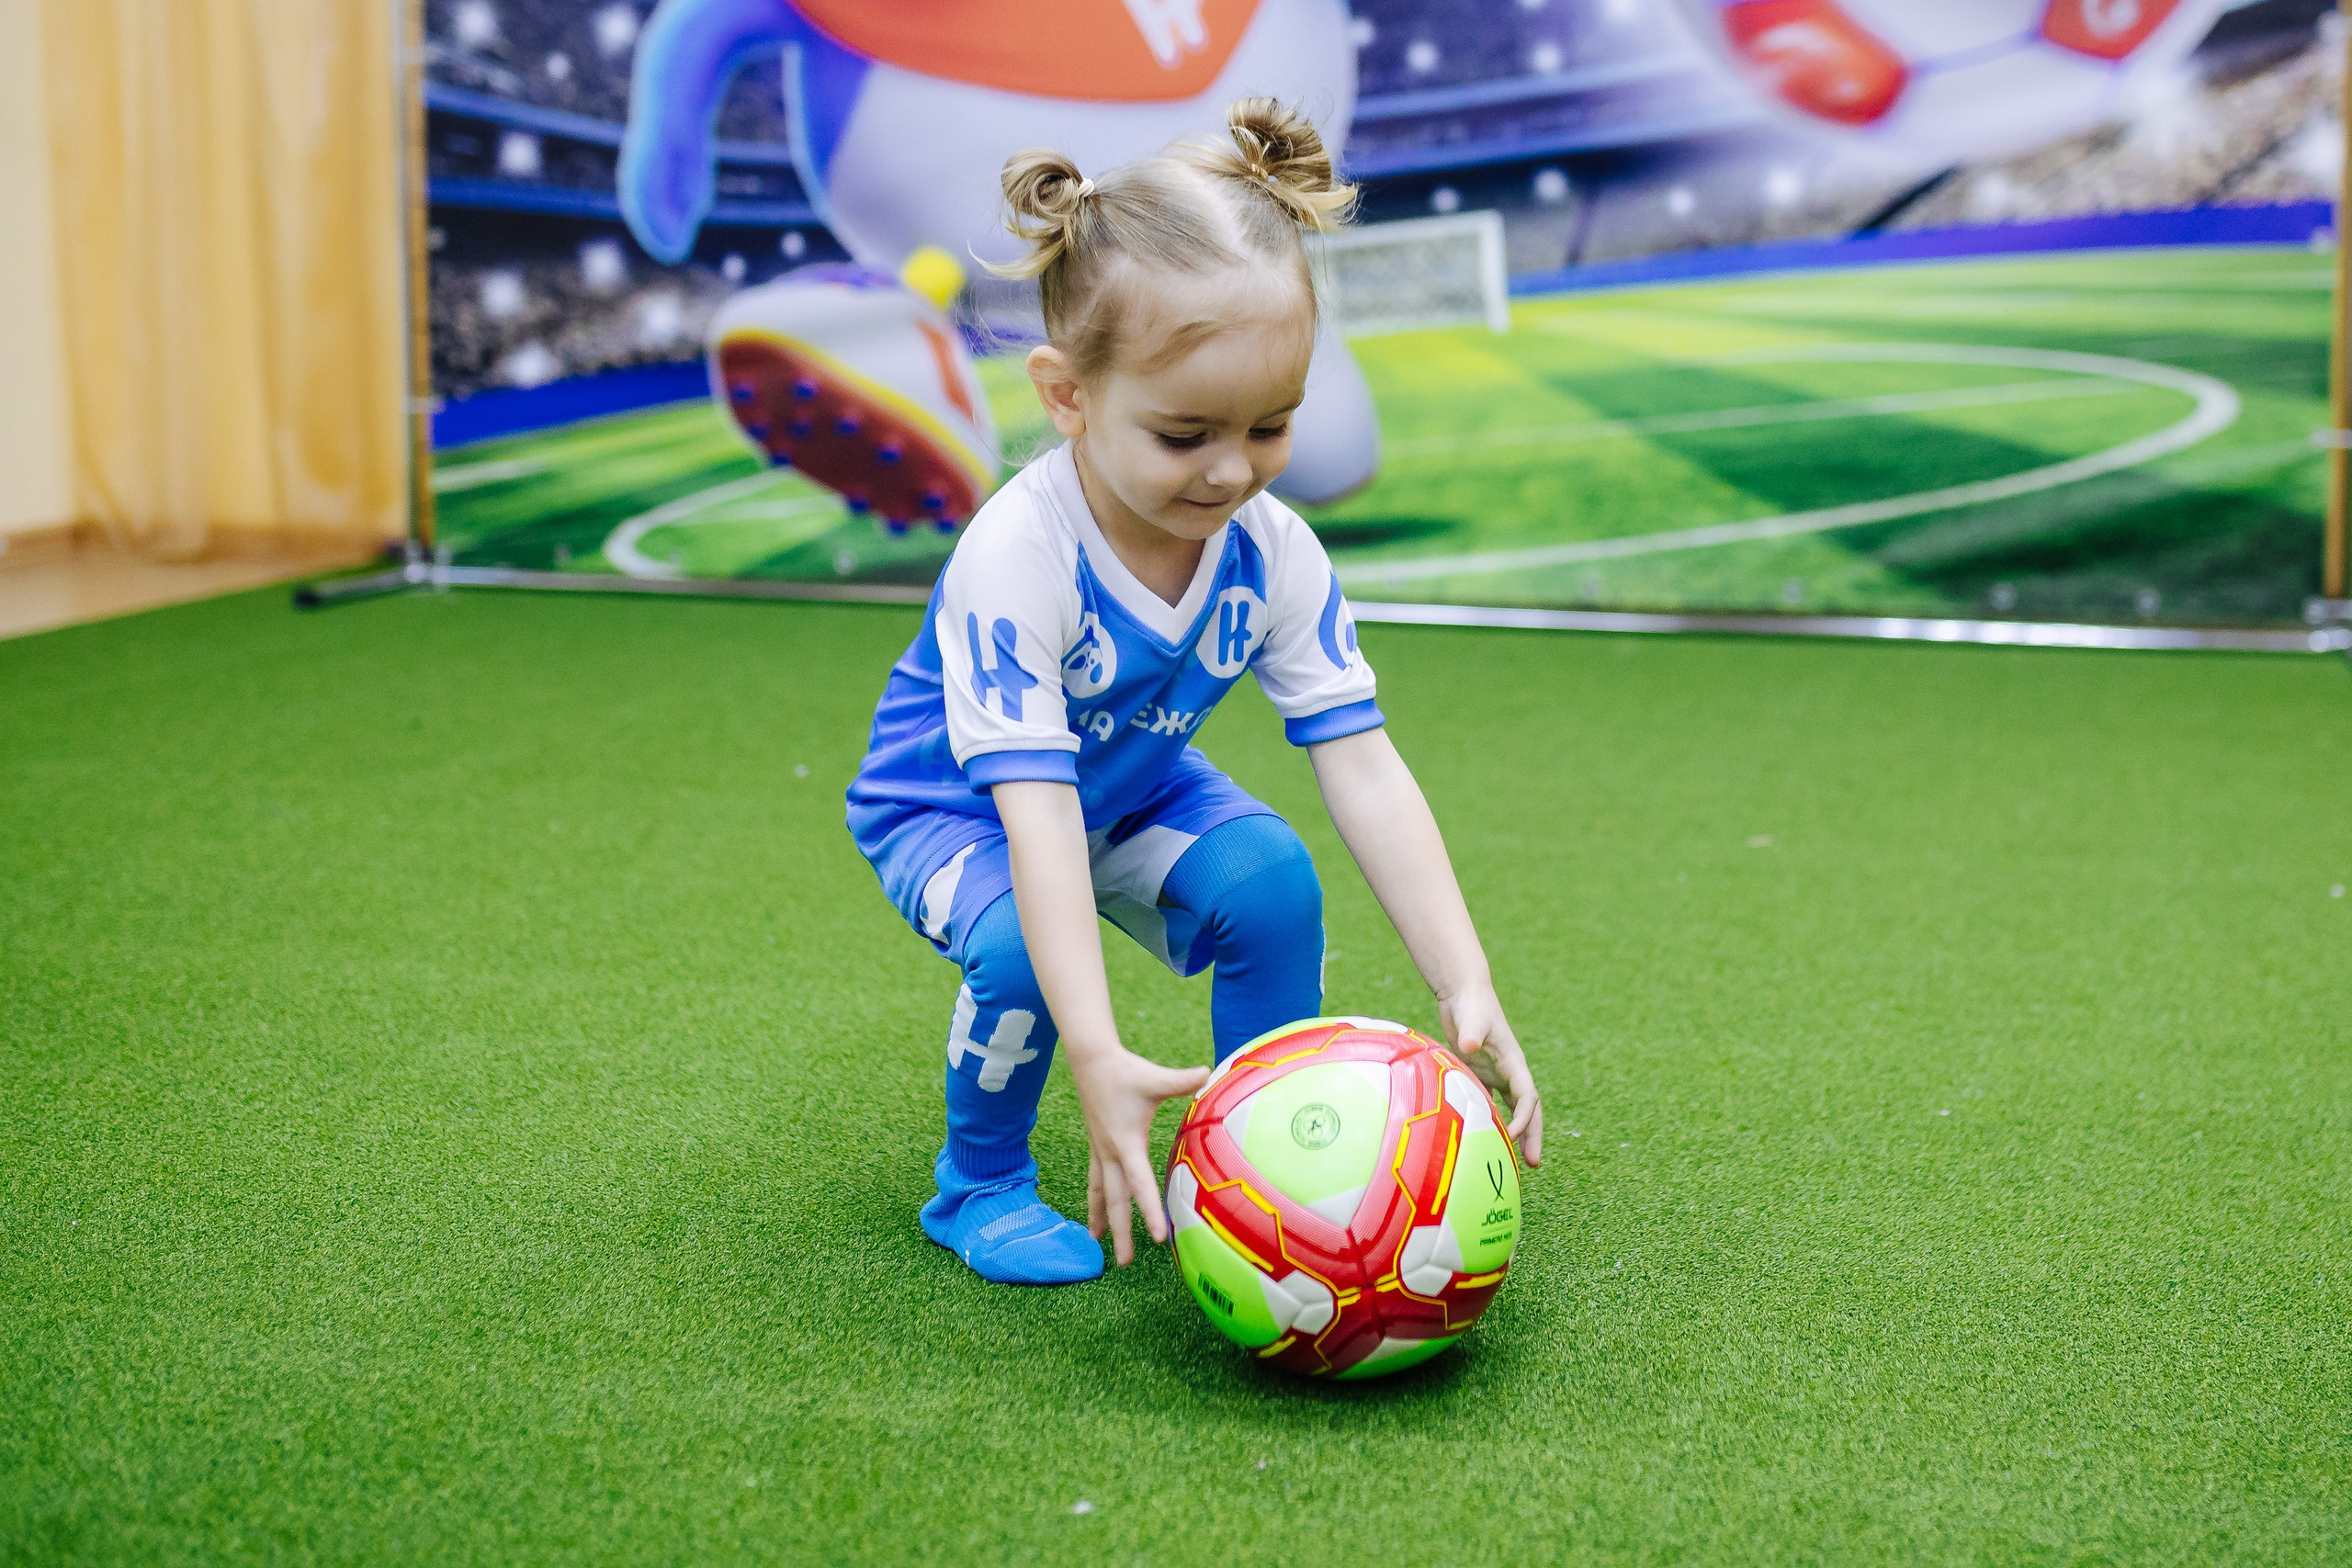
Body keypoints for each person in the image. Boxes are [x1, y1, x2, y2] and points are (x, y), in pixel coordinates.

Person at [845, 99, 1542, 1288]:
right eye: (1184, 434)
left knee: (1269, 886)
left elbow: (1362, 762)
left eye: (1271, 425)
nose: (1231, 469)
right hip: (955, 807)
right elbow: (1036, 813)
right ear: (1067, 396)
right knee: (1019, 948)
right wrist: (1098, 1049)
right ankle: (980, 1187)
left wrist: (1464, 977)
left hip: (1124, 783)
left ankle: (1257, 1166)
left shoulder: (1273, 552)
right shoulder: (1018, 557)